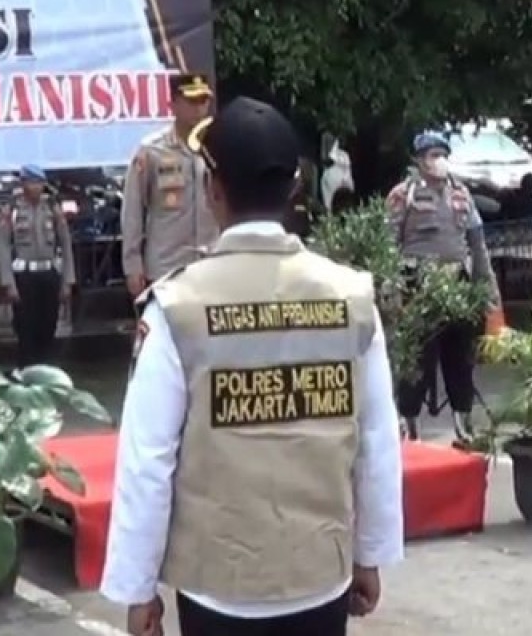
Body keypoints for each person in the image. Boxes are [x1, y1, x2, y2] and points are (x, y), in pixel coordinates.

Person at [100, 97, 403, 636]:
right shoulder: (352, 298)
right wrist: (370, 554)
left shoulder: (176, 307)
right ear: (293, 190)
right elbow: (377, 442)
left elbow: (147, 463)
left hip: (216, 584)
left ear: (212, 190)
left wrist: (137, 589)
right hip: (319, 577)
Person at [388, 132, 500, 442]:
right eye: (432, 154)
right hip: (418, 286)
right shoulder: (403, 194)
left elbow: (478, 246)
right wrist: (392, 292)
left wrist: (488, 293)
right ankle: (410, 426)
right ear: (419, 160)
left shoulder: (461, 193)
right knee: (418, 360)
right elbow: (388, 244)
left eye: (442, 153)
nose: (439, 159)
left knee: (460, 357)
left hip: (459, 285)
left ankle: (463, 425)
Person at [121, 73, 219, 299]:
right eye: (191, 101)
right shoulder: (152, 150)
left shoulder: (218, 145)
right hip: (167, 266)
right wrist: (133, 265)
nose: (199, 108)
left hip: (211, 263)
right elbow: (133, 211)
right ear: (173, 104)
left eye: (204, 100)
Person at [0, 165, 75, 367]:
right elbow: (3, 245)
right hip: (24, 276)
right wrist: (8, 282)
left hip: (48, 273)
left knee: (48, 324)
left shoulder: (52, 207)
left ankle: (45, 370)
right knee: (25, 327)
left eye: (39, 182)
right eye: (32, 182)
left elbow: (65, 244)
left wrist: (67, 280)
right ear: (23, 184)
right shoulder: (12, 209)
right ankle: (27, 370)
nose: (36, 187)